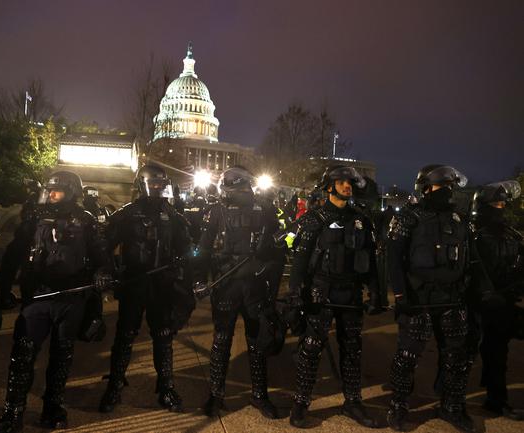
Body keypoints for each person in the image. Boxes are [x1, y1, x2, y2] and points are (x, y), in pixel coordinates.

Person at [0, 171, 108, 433]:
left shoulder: (86, 221)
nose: (51, 194)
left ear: (71, 193)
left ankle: (53, 407)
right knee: (23, 356)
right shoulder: (34, 218)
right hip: (37, 297)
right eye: (50, 189)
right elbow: (13, 255)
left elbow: (102, 255)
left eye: (57, 190)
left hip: (71, 299)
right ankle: (13, 412)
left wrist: (103, 273)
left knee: (61, 357)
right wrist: (3, 289)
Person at [385, 164, 489, 432]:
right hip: (418, 298)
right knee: (407, 355)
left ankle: (451, 406)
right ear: (426, 188)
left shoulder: (460, 220)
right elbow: (393, 259)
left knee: (456, 356)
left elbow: (471, 259)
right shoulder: (409, 217)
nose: (448, 192)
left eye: (450, 187)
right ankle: (398, 405)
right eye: (442, 187)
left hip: (452, 299)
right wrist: (399, 294)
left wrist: (480, 291)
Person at [286, 166, 379, 429]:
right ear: (329, 186)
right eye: (341, 182)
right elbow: (301, 260)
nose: (347, 186)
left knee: (352, 349)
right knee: (311, 348)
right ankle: (301, 404)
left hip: (350, 294)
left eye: (349, 182)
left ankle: (353, 402)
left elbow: (371, 260)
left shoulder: (361, 219)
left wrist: (375, 293)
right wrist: (294, 293)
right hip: (321, 293)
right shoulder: (315, 218)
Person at [99, 164, 193, 413]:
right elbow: (103, 245)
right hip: (134, 283)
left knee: (163, 338)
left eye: (162, 185)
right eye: (154, 185)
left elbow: (187, 248)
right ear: (142, 185)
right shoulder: (127, 214)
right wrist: (106, 270)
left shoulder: (173, 216)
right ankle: (115, 386)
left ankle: (166, 388)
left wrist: (185, 264)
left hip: (162, 286)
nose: (159, 189)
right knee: (125, 337)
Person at [197, 166, 281, 419]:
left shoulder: (266, 210)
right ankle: (216, 394)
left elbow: (280, 247)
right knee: (221, 341)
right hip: (226, 285)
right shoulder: (215, 212)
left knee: (257, 343)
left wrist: (269, 257)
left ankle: (259, 395)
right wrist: (200, 279)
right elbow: (202, 248)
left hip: (255, 286)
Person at [471, 180, 524, 420]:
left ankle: (496, 398)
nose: (500, 207)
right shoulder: (474, 235)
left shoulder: (511, 234)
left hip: (507, 300)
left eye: (503, 203)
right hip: (483, 304)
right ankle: (491, 399)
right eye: (495, 203)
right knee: (487, 353)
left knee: (498, 353)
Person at [0, 179, 42, 310]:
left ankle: (7, 297)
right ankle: (10, 298)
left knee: (13, 270)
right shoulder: (35, 200)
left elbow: (28, 221)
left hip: (26, 240)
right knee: (15, 269)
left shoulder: (34, 200)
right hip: (26, 240)